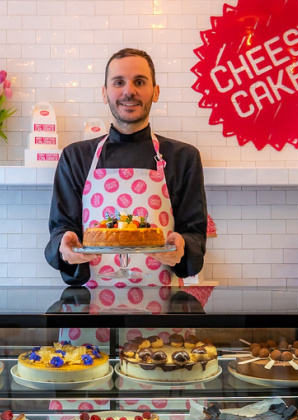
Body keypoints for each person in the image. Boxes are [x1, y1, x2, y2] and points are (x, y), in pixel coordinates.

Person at [45, 48, 207, 287]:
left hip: (162, 310)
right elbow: (61, 229)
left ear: (156, 92)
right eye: (118, 82)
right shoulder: (76, 157)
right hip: (91, 308)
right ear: (104, 93)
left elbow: (195, 234)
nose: (129, 91)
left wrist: (183, 246)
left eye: (139, 82)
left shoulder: (184, 158)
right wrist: (64, 244)